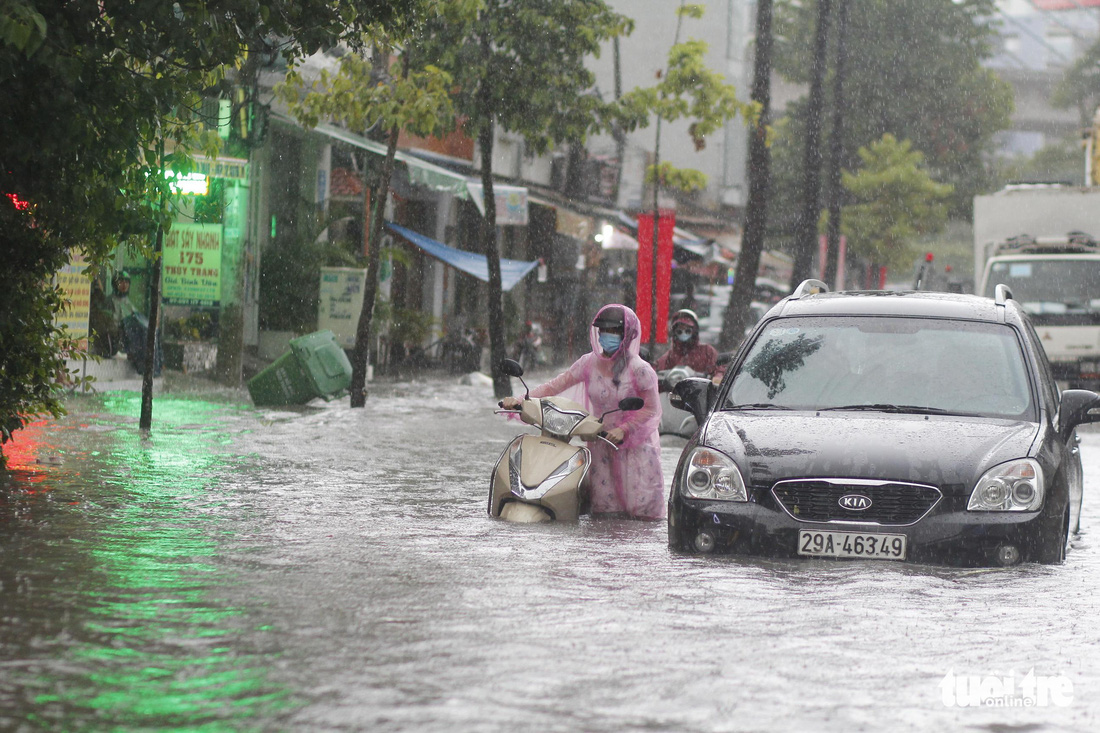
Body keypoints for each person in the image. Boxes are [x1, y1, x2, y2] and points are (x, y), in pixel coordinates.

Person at [501, 304, 665, 520]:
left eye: (614, 332)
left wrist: (624, 429)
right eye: (604, 331)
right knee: (603, 514)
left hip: (635, 449)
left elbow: (651, 408)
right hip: (599, 443)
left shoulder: (640, 370)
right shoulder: (589, 363)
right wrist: (521, 400)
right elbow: (555, 385)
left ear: (627, 335)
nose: (608, 336)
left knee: (639, 517)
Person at [655, 309, 718, 378]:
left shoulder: (707, 351)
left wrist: (716, 377)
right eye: (679, 331)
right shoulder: (669, 356)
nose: (683, 334)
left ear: (694, 331)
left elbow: (718, 369)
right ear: (674, 333)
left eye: (687, 331)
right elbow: (655, 369)